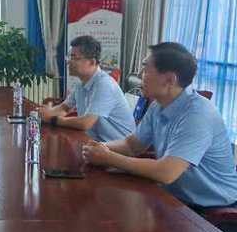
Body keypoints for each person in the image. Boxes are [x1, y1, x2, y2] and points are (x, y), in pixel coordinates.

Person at [83, 42, 237, 212]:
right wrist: (99, 147)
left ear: (169, 80)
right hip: (175, 198)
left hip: (213, 211)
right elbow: (132, 145)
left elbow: (166, 172)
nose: (139, 75)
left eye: (146, 70)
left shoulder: (198, 115)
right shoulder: (158, 105)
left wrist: (108, 158)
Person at [39, 35, 135, 142]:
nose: (68, 62)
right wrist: (47, 113)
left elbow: (86, 123)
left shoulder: (104, 84)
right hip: (95, 144)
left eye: (74, 58)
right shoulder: (80, 84)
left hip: (118, 147)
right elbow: (64, 108)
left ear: (92, 62)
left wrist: (53, 119)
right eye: (69, 57)